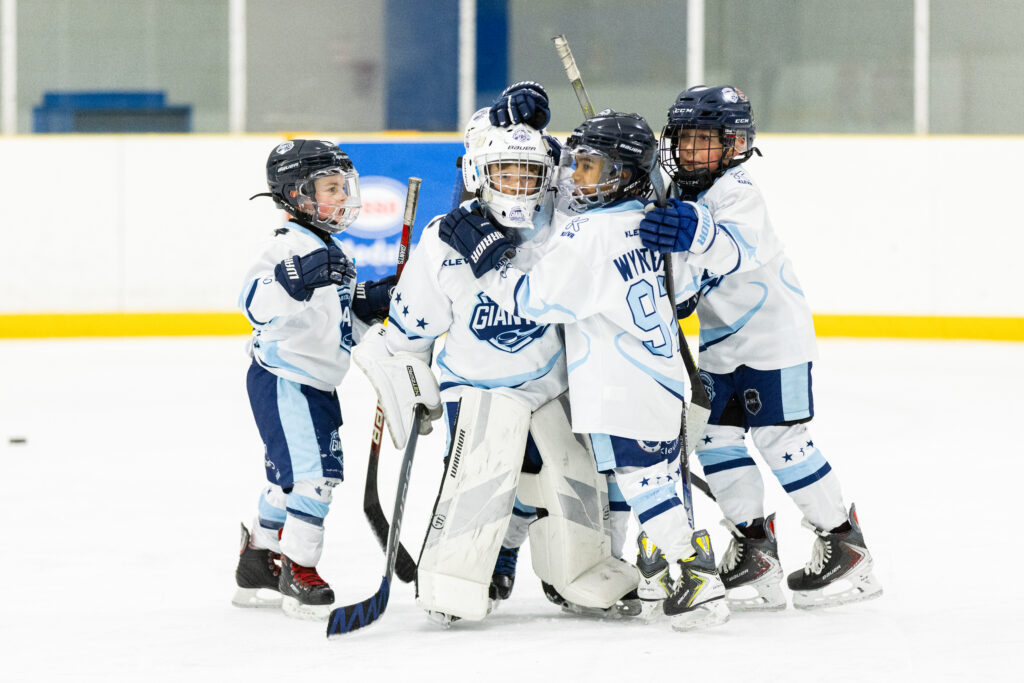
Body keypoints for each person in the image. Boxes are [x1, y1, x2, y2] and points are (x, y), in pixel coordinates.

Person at [438, 109, 730, 632]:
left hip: (620, 390)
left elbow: (533, 300)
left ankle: (695, 577)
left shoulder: (589, 234)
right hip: (661, 380)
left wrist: (486, 254)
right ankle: (670, 566)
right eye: (577, 164)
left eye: (590, 168)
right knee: (658, 479)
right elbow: (686, 292)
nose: (575, 177)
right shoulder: (650, 219)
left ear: (623, 173)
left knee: (646, 487)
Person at [355, 92, 637, 626]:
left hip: (550, 386)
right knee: (482, 482)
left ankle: (573, 570)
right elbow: (412, 332)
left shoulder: (561, 226)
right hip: (476, 389)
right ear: (480, 174)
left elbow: (600, 183)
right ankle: (462, 576)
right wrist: (409, 379)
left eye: (528, 175)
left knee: (567, 480)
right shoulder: (446, 240)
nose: (517, 186)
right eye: (503, 174)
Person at [638, 85, 883, 610]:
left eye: (702, 140)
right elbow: (683, 290)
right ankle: (754, 549)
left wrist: (691, 230)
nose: (687, 151)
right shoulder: (684, 194)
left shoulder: (737, 190)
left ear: (733, 144)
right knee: (715, 440)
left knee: (780, 439)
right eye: (682, 139)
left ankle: (845, 544)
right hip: (722, 346)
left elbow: (733, 249)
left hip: (774, 340)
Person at [231, 139, 396, 620]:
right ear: (297, 193)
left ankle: (258, 558)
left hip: (313, 383)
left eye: (344, 187)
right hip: (286, 380)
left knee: (287, 481)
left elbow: (336, 324)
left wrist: (371, 302)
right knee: (315, 479)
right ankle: (298, 570)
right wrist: (294, 278)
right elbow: (254, 305)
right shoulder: (283, 247)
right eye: (330, 188)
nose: (342, 196)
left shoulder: (329, 248)